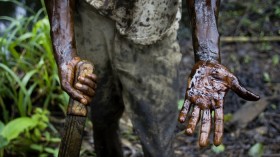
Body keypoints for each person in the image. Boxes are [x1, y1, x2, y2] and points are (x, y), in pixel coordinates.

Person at [45, 0, 260, 156]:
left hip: (153, 21)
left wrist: (207, 55)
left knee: (158, 136)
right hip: (92, 12)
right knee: (101, 115)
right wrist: (65, 51)